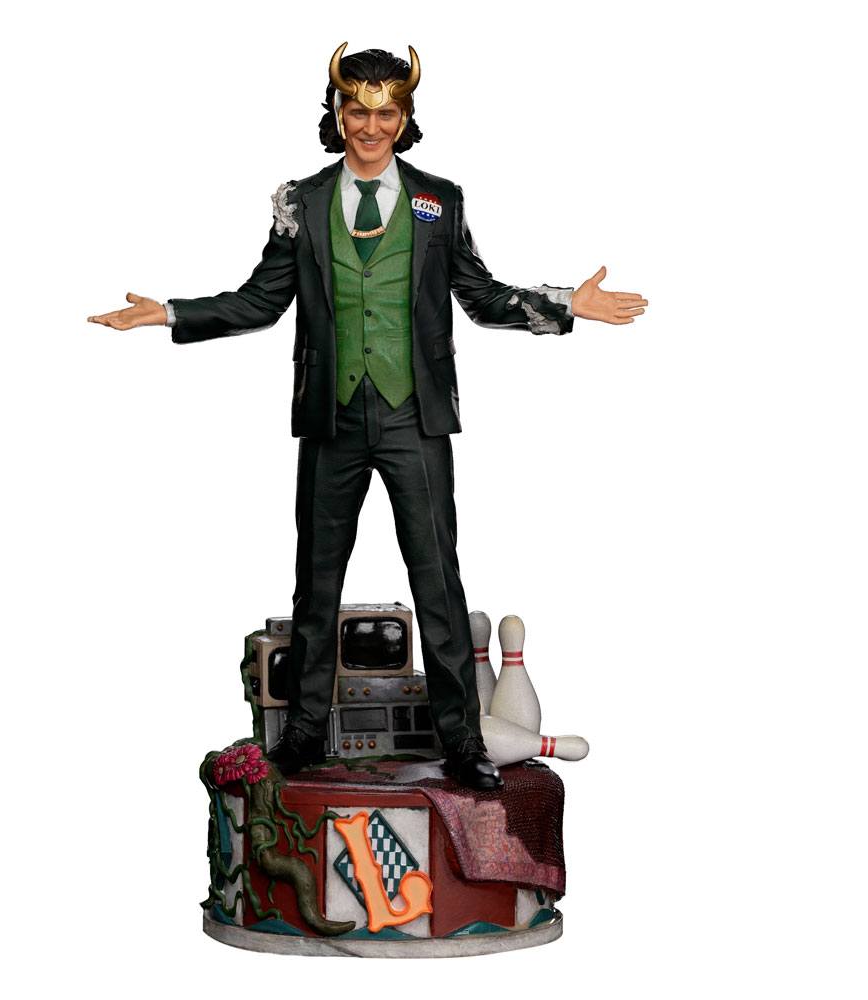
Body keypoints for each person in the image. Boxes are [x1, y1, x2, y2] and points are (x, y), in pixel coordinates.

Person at [89, 44, 648, 791]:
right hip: (333, 415)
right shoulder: (302, 201)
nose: (372, 126)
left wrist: (565, 303)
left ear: (406, 117)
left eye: (387, 112)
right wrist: (171, 313)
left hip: (416, 415)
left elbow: (481, 297)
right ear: (337, 112)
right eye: (358, 110)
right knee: (316, 579)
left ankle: (462, 742)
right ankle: (304, 734)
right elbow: (261, 300)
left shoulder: (438, 201)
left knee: (437, 578)